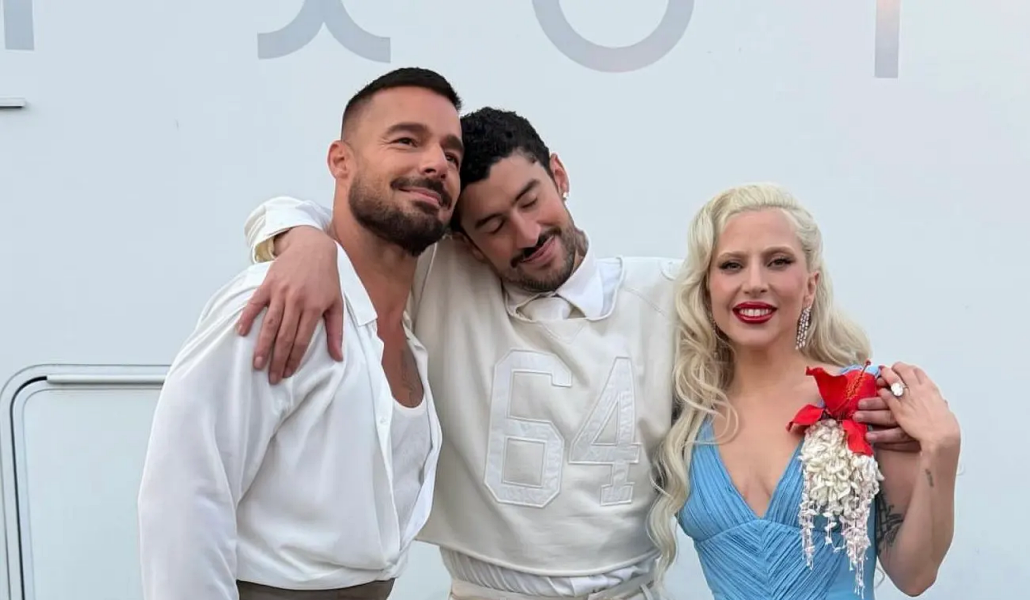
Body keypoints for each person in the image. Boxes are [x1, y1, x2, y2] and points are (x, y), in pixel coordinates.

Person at [233, 109, 918, 599]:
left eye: (532, 200)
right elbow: (324, 213)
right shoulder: (438, 281)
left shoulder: (672, 294)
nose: (527, 233)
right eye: (494, 224)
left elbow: (776, 339)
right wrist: (302, 240)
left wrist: (885, 416)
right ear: (464, 242)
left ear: (558, 174)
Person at [136, 66, 465, 600]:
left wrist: (301, 234)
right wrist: (304, 240)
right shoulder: (279, 302)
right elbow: (184, 499)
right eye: (407, 140)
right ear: (341, 161)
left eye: (452, 155)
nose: (436, 163)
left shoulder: (414, 319)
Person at [647, 183, 960, 599]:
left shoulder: (865, 397)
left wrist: (942, 447)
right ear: (707, 289)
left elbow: (914, 575)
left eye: (778, 262)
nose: (754, 283)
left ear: (810, 285)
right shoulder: (682, 415)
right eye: (732, 265)